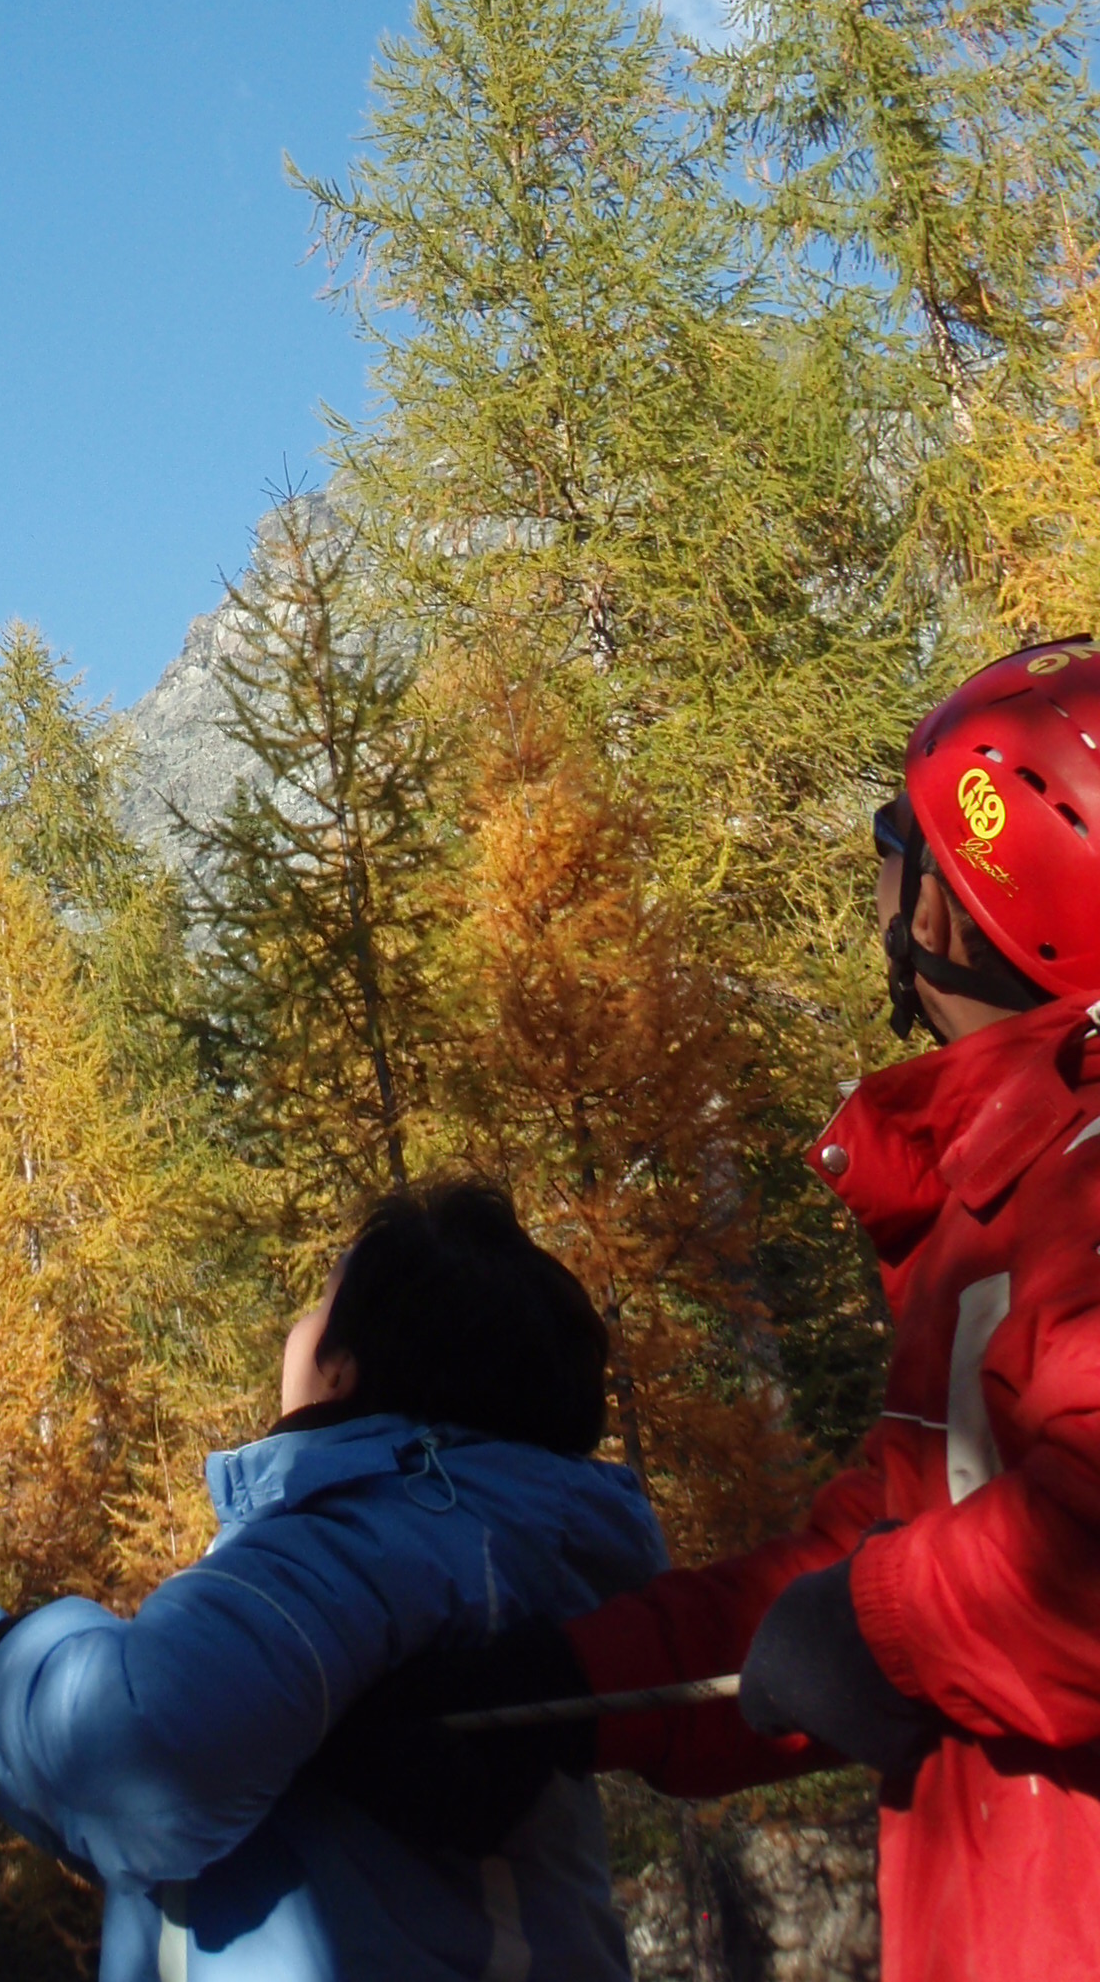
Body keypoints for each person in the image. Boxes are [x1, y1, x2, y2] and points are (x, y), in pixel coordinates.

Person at [321, 640, 1100, 1982]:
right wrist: (568, 1694)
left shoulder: (1075, 1194)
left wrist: (879, 1624)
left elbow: (1035, 1569)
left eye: (892, 838)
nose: (875, 872)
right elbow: (863, 1561)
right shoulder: (1007, 1204)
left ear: (947, 907)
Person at [0, 1178, 666, 1982]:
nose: (296, 1328)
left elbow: (143, 1750)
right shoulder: (452, 1554)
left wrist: (39, 1647)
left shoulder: (376, 1536)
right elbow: (125, 1810)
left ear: (344, 1368)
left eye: (317, 1302)